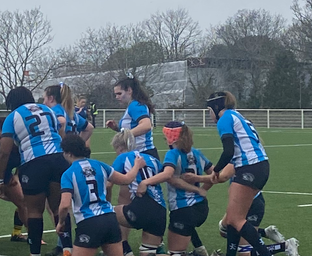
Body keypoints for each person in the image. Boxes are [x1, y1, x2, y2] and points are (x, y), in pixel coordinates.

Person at [0, 86, 71, 256]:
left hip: (33, 162)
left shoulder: (13, 116)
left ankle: (35, 253)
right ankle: (67, 250)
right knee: (58, 208)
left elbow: (4, 152)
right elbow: (60, 133)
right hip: (58, 159)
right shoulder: (48, 110)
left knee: (35, 211)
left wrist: (0, 180)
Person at [204, 91, 271, 256]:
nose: (209, 115)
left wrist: (216, 170)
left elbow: (228, 151)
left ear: (216, 107)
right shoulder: (237, 116)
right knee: (232, 218)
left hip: (250, 167)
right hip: (259, 166)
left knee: (235, 219)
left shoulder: (224, 119)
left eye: (209, 111)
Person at [57, 134, 144, 256]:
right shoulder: (100, 165)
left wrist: (61, 222)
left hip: (88, 222)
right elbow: (127, 179)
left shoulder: (68, 174)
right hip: (110, 219)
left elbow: (65, 205)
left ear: (69, 153)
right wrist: (136, 165)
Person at [138, 122, 212, 256]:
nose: (165, 140)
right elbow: (214, 175)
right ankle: (200, 249)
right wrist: (202, 188)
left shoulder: (173, 154)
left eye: (165, 137)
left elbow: (168, 175)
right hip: (201, 206)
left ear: (172, 138)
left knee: (175, 253)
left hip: (183, 208)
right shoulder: (197, 153)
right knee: (185, 232)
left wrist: (145, 182)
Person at [110, 130, 167, 256]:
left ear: (119, 148)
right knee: (148, 252)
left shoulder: (123, 157)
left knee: (104, 215)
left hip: (142, 206)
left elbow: (108, 184)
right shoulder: (152, 159)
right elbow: (166, 175)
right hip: (160, 210)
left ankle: (122, 248)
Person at [104, 77, 158, 160]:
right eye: (116, 94)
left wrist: (123, 137)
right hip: (139, 153)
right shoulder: (133, 105)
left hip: (143, 154)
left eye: (119, 93)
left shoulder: (135, 105)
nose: (117, 97)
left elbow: (146, 125)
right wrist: (117, 128)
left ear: (129, 90)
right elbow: (134, 129)